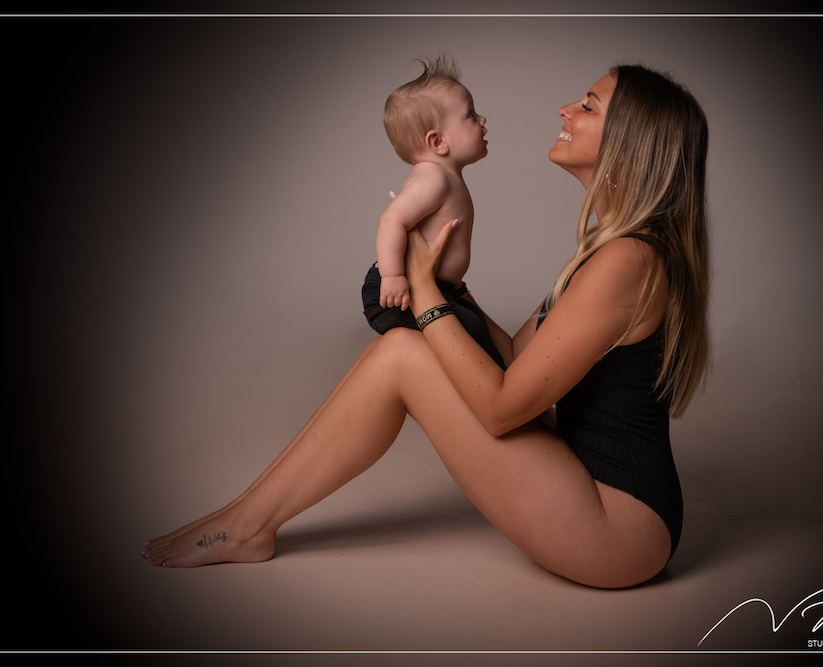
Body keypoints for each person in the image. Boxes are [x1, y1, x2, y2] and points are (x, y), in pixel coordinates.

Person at [142, 63, 710, 589]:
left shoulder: (628, 261)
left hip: (620, 529)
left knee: (402, 353)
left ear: (630, 144)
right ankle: (244, 519)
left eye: (587, 106)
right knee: (405, 347)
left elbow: (503, 406)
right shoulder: (612, 251)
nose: (565, 109)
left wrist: (424, 293)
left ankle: (245, 525)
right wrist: (445, 288)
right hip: (594, 487)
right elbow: (514, 356)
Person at [362, 56, 504, 368]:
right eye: (470, 115)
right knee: (473, 341)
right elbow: (392, 219)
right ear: (437, 141)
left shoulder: (444, 175)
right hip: (403, 293)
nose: (482, 120)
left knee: (480, 339)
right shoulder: (434, 178)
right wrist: (393, 276)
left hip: (436, 289)